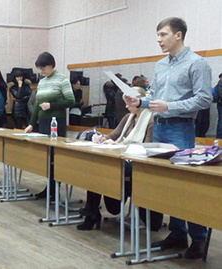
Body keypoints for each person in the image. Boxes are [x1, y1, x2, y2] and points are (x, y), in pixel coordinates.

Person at [125, 17, 212, 259]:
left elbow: (205, 99)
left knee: (184, 185)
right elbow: (154, 96)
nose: (159, 40)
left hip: (180, 128)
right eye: (158, 35)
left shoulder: (197, 64)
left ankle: (199, 238)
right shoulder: (161, 65)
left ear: (179, 35)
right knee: (166, 184)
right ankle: (177, 233)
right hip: (160, 127)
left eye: (163, 35)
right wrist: (139, 101)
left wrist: (170, 106)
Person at [77, 87, 162, 231]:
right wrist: (102, 138)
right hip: (123, 159)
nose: (126, 106)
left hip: (138, 164)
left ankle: (92, 212)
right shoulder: (128, 117)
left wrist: (117, 145)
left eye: (129, 103)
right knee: (97, 166)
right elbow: (113, 136)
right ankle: (91, 212)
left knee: (103, 167)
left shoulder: (151, 120)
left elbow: (145, 148)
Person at [24, 51, 75, 199]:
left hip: (56, 123)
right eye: (40, 69)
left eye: (43, 68)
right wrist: (32, 124)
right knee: (46, 157)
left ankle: (54, 189)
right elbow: (39, 104)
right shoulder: (42, 81)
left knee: (55, 157)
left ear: (51, 65)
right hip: (44, 123)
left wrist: (51, 105)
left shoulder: (62, 80)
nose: (42, 71)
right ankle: (49, 187)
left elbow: (71, 101)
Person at [214, 73, 222, 138]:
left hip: (220, 105)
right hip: (221, 105)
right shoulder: (219, 86)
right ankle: (219, 137)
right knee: (221, 122)